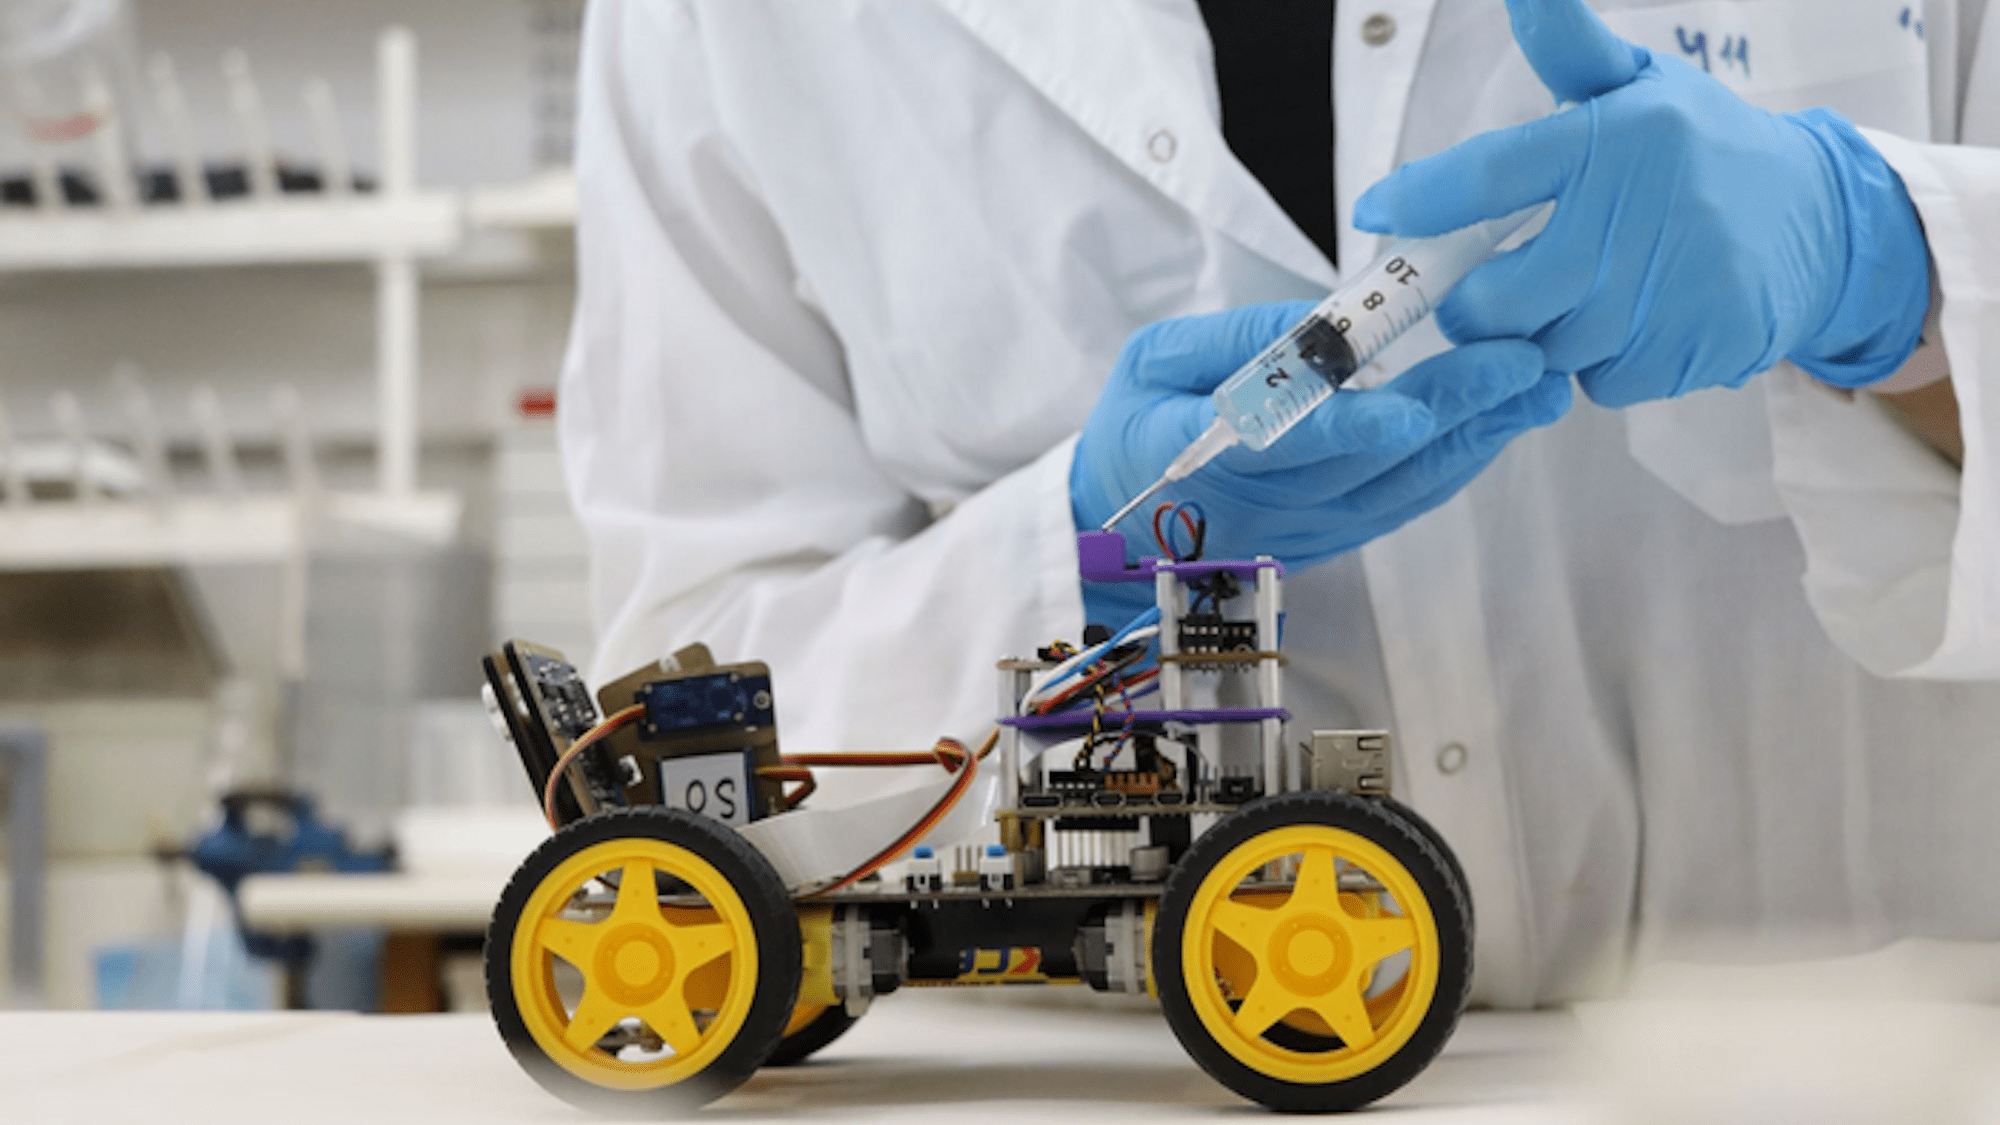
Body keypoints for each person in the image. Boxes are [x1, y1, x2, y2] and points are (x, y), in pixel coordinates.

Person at [557, 0, 2000, 1007]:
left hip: (1846, 1054)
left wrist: (1904, 273)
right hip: (1147, 1069)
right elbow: (692, 679)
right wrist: (1087, 565)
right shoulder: (716, 18)